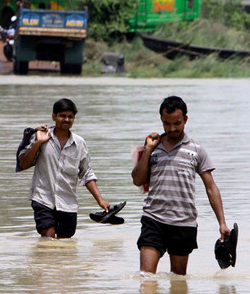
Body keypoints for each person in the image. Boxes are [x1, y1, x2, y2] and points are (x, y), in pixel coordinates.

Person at [132, 96, 230, 276]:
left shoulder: (196, 150)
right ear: (161, 121)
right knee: (145, 278)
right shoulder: (151, 147)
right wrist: (147, 151)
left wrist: (222, 223)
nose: (172, 128)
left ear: (185, 119)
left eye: (177, 123)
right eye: (166, 124)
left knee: (177, 281)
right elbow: (137, 180)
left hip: (183, 222)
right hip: (153, 219)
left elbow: (211, 187)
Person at [18, 98, 111, 239]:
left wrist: (100, 200)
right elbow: (23, 163)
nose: (66, 119)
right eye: (62, 116)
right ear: (54, 116)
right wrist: (38, 143)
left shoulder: (79, 143)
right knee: (48, 237)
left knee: (65, 243)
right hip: (43, 199)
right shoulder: (41, 137)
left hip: (68, 202)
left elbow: (87, 173)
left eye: (70, 117)